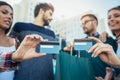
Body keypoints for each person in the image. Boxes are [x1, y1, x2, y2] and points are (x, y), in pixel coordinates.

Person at [10, 2, 55, 80]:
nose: (52, 18)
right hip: (22, 76)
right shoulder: (20, 27)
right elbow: (8, 50)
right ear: (41, 11)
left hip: (47, 77)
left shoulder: (51, 34)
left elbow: (54, 55)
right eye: (50, 14)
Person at [0, 1, 45, 80]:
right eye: (4, 12)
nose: (9, 17)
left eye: (11, 15)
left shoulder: (15, 40)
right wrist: (13, 57)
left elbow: (17, 65)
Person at [88, 6, 120, 80]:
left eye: (117, 16)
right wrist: (111, 74)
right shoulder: (116, 41)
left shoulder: (109, 40)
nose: (111, 19)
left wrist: (117, 63)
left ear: (95, 22)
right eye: (109, 18)